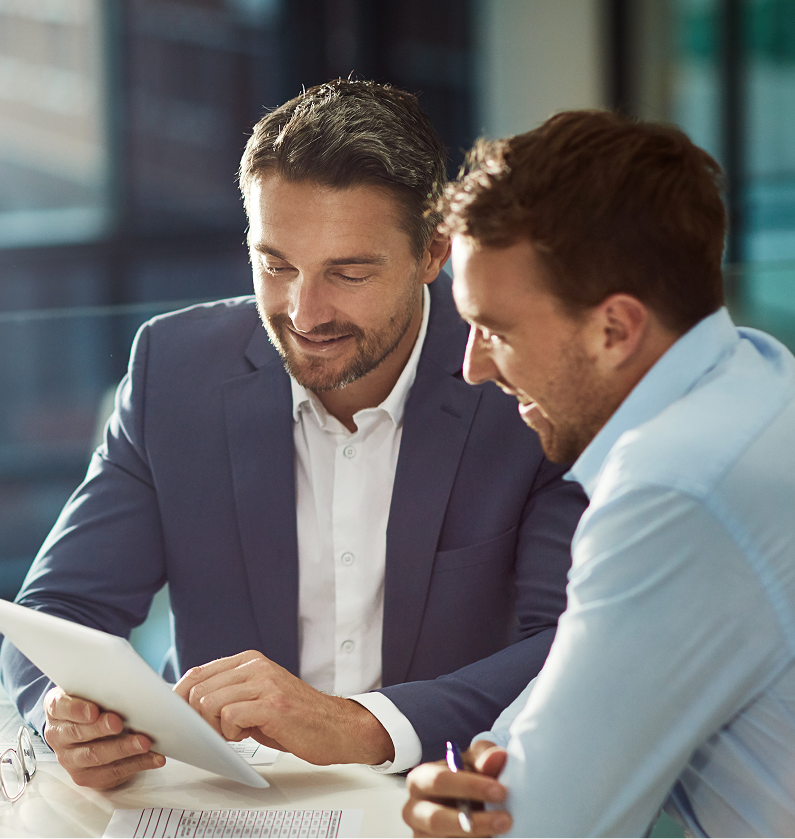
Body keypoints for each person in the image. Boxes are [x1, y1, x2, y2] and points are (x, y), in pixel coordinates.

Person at [0, 80, 586, 790]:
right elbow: (60, 610)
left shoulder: (519, 385)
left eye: (347, 272)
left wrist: (361, 724)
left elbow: (568, 643)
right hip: (221, 796)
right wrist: (64, 711)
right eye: (275, 265)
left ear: (432, 253)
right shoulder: (174, 369)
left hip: (437, 791)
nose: (304, 312)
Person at [403, 110, 795, 839]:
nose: (473, 365)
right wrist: (496, 762)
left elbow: (534, 828)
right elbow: (533, 747)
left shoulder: (673, 490)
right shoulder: (754, 374)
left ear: (615, 328)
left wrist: (491, 795)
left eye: (496, 330)